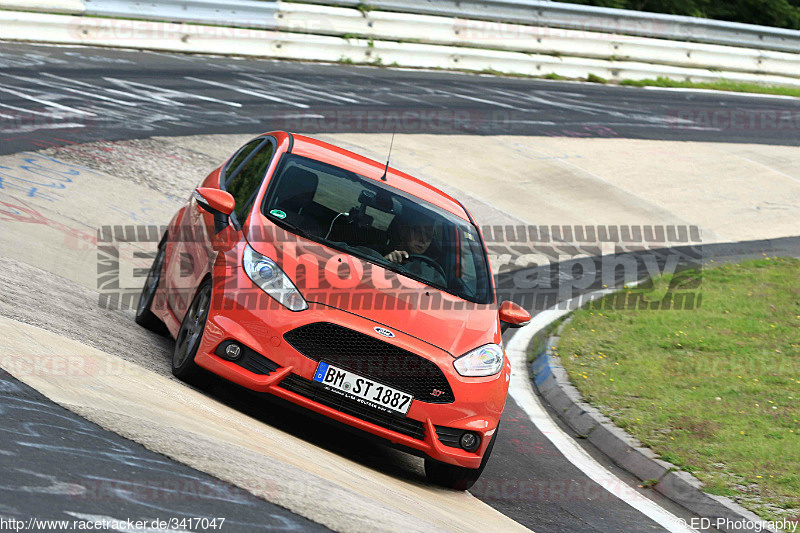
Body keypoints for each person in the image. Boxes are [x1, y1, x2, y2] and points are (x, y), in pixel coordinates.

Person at [383, 210, 446, 286]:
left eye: (428, 237)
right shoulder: (374, 253)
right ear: (404, 230)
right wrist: (384, 262)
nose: (423, 240)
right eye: (420, 232)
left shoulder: (431, 273)